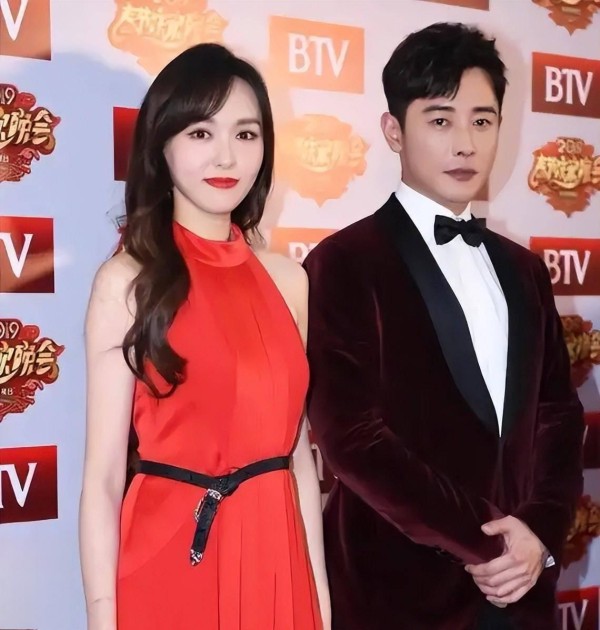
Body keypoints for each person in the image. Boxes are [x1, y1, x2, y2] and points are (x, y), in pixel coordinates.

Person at [303, 22, 584, 630]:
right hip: (397, 595)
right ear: (393, 131)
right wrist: (489, 544)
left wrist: (538, 530)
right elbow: (351, 439)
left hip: (521, 591)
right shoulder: (342, 263)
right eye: (440, 120)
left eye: (482, 121)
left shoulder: (526, 271)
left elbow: (558, 416)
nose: (465, 144)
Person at [80, 43, 330, 630]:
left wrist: (319, 602)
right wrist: (102, 618)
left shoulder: (290, 281)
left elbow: (297, 457)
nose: (226, 156)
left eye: (246, 134)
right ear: (160, 144)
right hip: (172, 558)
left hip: (276, 559)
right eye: (200, 132)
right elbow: (104, 478)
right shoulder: (127, 281)